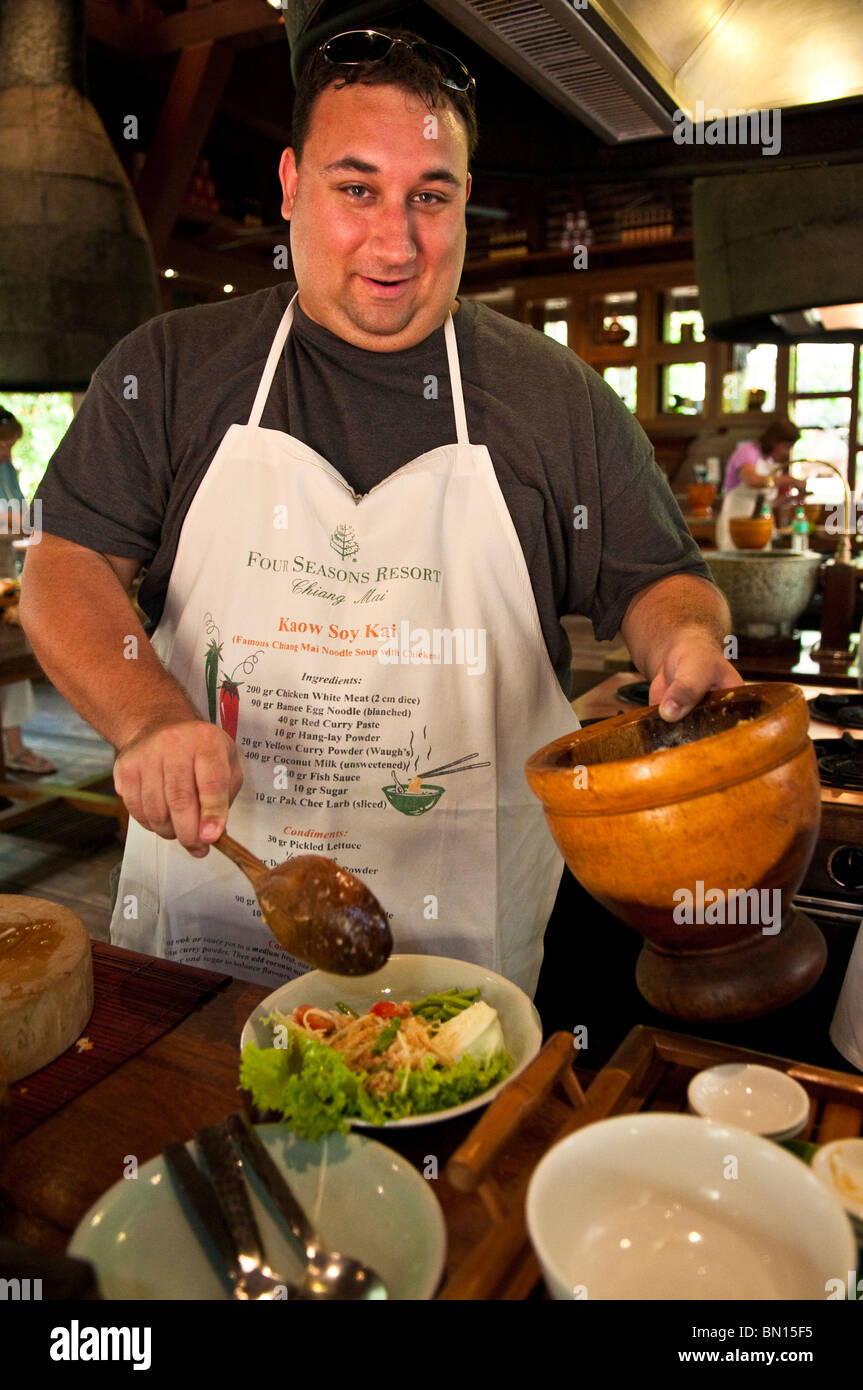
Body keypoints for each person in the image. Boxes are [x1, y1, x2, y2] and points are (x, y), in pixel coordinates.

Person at [21, 27, 740, 1002]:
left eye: (429, 197)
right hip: (210, 936)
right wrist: (146, 718)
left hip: (458, 977)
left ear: (462, 197)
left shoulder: (551, 396)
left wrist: (685, 641)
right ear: (289, 183)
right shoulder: (171, 370)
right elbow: (66, 567)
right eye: (355, 188)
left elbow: (656, 581)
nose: (395, 243)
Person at [0, 409, 56, 775]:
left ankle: (15, 748)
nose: (7, 451)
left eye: (11, 444)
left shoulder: (6, 470)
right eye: (3, 444)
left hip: (4, 572)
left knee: (13, 670)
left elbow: (20, 511)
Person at [715, 418, 802, 549]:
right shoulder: (748, 451)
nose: (787, 452)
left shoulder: (771, 462)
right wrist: (791, 480)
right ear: (775, 441)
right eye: (786, 447)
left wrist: (792, 499)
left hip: (761, 527)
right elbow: (752, 480)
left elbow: (767, 503)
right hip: (737, 523)